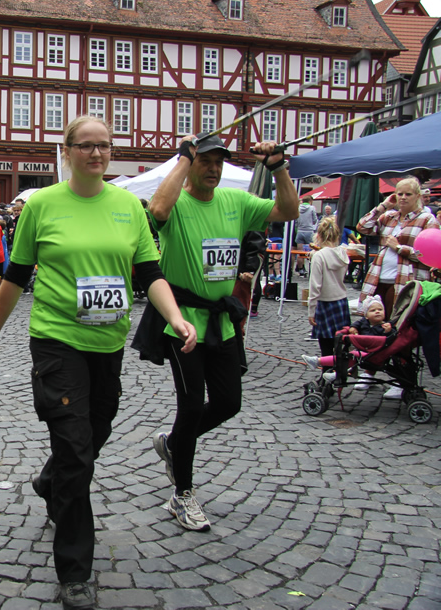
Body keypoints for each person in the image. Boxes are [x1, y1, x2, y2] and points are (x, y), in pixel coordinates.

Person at [0, 117, 196, 610]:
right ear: (67, 151)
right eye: (86, 146)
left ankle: (49, 481)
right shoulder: (43, 205)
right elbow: (16, 274)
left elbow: (150, 272)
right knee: (77, 451)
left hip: (108, 342)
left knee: (96, 431)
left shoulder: (128, 206)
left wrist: (175, 317)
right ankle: (75, 570)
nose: (96, 154)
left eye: (104, 146)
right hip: (56, 340)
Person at [143, 132, 298, 534]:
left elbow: (288, 210)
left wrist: (278, 168)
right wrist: (183, 156)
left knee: (229, 402)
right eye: (206, 161)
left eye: (219, 162)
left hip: (222, 321)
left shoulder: (236, 201)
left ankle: (174, 442)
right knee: (192, 405)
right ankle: (182, 494)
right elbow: (157, 210)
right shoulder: (177, 202)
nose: (214, 169)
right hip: (182, 321)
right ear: (192, 164)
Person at [357, 177, 440, 318]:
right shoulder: (389, 216)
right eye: (400, 194)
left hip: (406, 281)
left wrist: (399, 248)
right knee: (376, 322)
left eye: (408, 194)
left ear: (417, 196)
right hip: (378, 278)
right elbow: (363, 227)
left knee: (396, 322)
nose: (403, 197)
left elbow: (429, 255)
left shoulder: (427, 219)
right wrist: (383, 206)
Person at [306, 216, 357, 357]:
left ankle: (327, 368)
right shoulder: (343, 253)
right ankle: (340, 367)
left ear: (319, 235)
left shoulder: (319, 256)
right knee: (341, 342)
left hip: (325, 302)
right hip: (341, 300)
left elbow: (315, 286)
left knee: (326, 346)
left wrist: (311, 310)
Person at [294, 200, 318, 274]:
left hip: (300, 231)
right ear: (310, 201)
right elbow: (315, 220)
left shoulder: (298, 208)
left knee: (300, 252)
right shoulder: (312, 208)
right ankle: (312, 270)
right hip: (309, 231)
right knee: (312, 252)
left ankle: (301, 269)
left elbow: (296, 221)